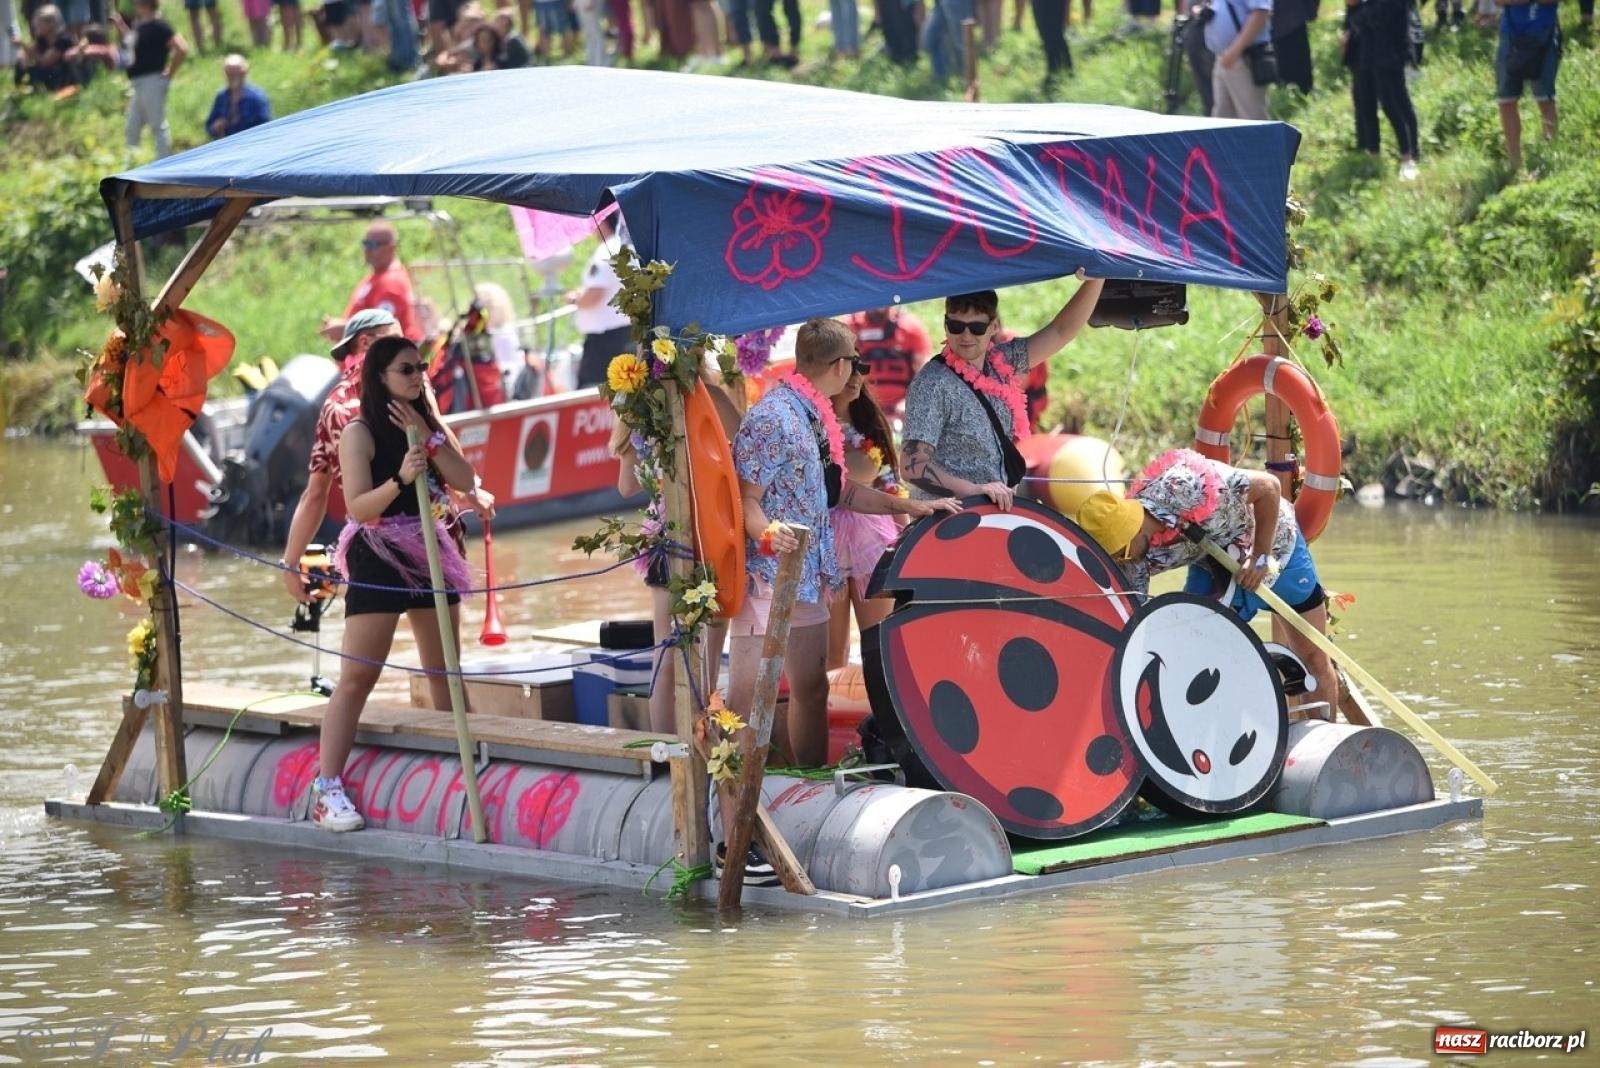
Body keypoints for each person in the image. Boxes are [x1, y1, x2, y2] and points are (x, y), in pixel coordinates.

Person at [730, 317, 961, 771]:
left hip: (810, 574)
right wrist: (767, 534)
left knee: (812, 687)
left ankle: (812, 783)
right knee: (746, 693)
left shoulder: (817, 414)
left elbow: (842, 492)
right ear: (838, 365)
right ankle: (734, 787)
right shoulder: (771, 416)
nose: (860, 371)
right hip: (769, 577)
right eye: (856, 362)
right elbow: (745, 500)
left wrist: (910, 508)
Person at [310, 336, 485, 832]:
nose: (418, 376)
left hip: (431, 551)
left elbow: (465, 479)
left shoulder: (425, 423)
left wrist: (427, 440)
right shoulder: (359, 432)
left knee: (446, 669)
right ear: (380, 377)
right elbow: (358, 508)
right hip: (381, 552)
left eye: (421, 367)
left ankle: (470, 762)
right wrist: (402, 479)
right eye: (406, 369)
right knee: (359, 676)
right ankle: (328, 788)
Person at [1075, 448, 1339, 719]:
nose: (1122, 561)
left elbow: (1269, 487)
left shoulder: (1186, 487)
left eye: (1121, 552)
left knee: (1314, 657)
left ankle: (1332, 744)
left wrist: (1260, 556)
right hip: (1214, 562)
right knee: (1196, 652)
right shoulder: (1132, 561)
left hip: (1275, 545)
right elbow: (1132, 621)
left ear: (1133, 529)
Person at [900, 271, 1105, 511]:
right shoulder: (932, 383)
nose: (966, 336)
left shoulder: (1002, 361)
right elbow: (911, 465)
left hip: (993, 512)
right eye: (956, 326)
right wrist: (974, 491)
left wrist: (1097, 278)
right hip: (947, 519)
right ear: (946, 325)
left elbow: (1061, 331)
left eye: (976, 327)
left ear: (993, 326)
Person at [826, 357, 906, 671]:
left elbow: (891, 487)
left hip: (872, 543)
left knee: (880, 649)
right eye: (847, 366)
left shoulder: (870, 425)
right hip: (825, 546)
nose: (856, 376)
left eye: (862, 367)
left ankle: (880, 718)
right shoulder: (809, 424)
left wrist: (905, 541)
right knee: (831, 656)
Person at [1344, 0, 1421, 180]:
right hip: (1366, 50)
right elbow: (1355, 15)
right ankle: (1374, 156)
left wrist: (1358, 13)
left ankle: (1408, 156)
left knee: (1392, 104)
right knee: (1366, 104)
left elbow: (1376, 17)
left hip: (1390, 52)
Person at [322, 220, 422, 346]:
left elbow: (385, 332)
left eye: (373, 245)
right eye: (366, 244)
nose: (368, 250)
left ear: (392, 247)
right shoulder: (377, 276)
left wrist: (345, 330)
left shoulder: (391, 282)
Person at [1494, 0, 1562, 176]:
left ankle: (1550, 158)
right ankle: (1515, 163)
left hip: (1545, 35)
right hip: (1510, 36)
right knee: (1506, 101)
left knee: (1546, 99)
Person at [117, 0, 187, 159]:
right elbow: (131, 43)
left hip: (152, 80)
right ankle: (130, 166)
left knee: (157, 125)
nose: (134, 6)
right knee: (132, 127)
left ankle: (163, 164)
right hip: (137, 82)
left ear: (146, 5)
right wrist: (121, 25)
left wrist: (170, 72)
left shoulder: (161, 26)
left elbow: (181, 48)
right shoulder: (140, 25)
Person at [570, 212, 632, 388]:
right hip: (627, 331)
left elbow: (594, 294)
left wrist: (575, 299)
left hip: (604, 339)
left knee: (592, 388)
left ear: (602, 222)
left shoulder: (607, 249)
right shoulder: (628, 246)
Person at [840, 305, 932, 418]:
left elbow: (926, 375)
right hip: (861, 406)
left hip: (903, 409)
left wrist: (910, 403)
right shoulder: (849, 327)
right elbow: (837, 371)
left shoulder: (910, 327)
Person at [1204, 0, 1273, 119]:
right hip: (1223, 58)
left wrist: (1235, 51)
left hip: (1243, 58)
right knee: (1221, 120)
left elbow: (1261, 12)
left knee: (1253, 120)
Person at [12, 4, 77, 91]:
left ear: (51, 24)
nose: (36, 26)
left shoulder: (63, 40)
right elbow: (30, 52)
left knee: (40, 71)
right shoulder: (42, 38)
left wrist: (23, 46)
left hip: (63, 75)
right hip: (49, 71)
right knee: (20, 63)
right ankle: (20, 88)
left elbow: (45, 61)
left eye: (40, 23)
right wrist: (23, 56)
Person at [205, 54, 270, 138]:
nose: (232, 77)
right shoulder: (221, 97)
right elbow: (209, 127)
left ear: (244, 73)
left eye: (235, 73)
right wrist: (215, 127)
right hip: (227, 145)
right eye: (228, 73)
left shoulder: (257, 98)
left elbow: (265, 126)